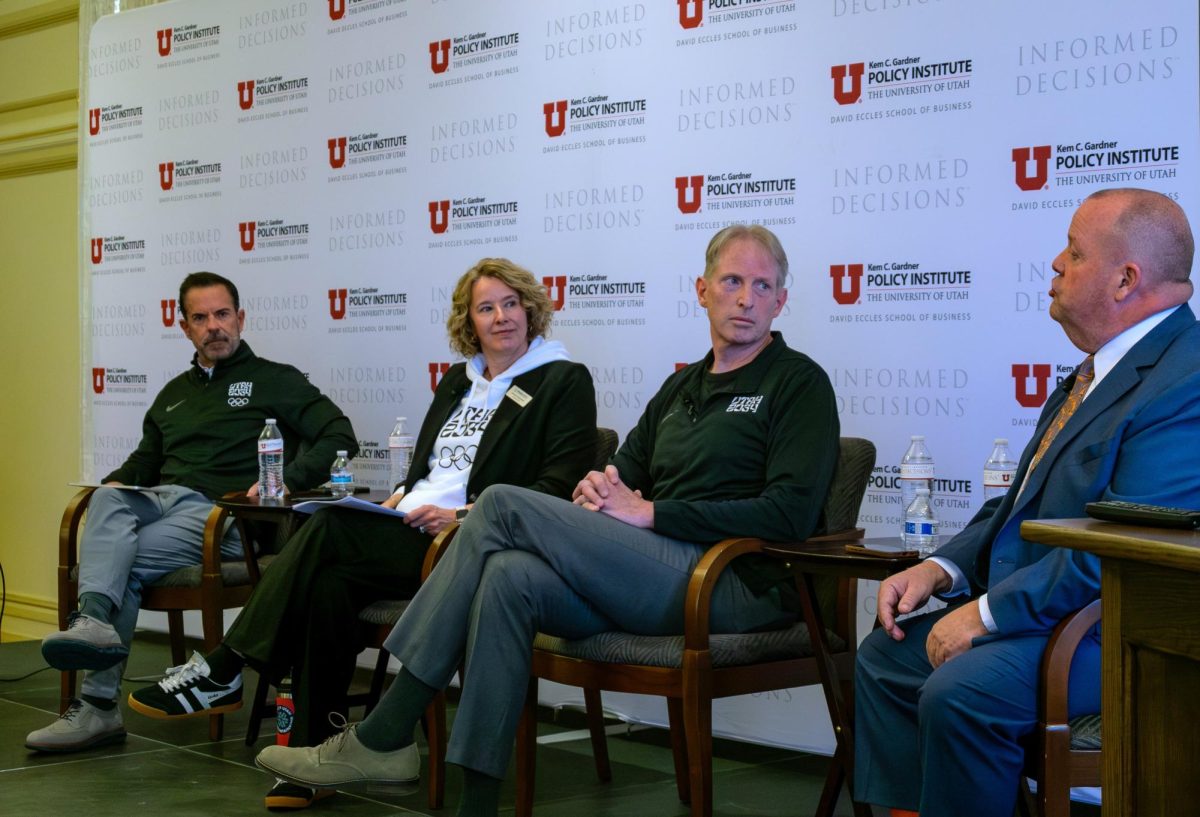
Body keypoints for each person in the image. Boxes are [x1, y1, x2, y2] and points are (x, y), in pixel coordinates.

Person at [251, 223, 841, 817]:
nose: (746, 298)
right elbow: (624, 469)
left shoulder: (798, 383)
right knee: (508, 576)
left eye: (762, 286)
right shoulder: (681, 385)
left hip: (733, 584)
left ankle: (386, 732)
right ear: (702, 290)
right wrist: (598, 489)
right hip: (651, 573)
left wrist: (653, 511)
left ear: (781, 301)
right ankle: (476, 805)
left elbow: (789, 513)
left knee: (502, 503)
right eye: (732, 281)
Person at [126, 258, 597, 810]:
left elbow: (555, 486)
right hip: (410, 526)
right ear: (469, 321)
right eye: (486, 307)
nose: (501, 318)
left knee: (326, 530)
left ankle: (227, 666)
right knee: (327, 585)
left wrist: (463, 516)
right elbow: (429, 469)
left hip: (468, 540)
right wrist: (400, 497)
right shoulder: (456, 382)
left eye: (510, 304)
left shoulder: (561, 379)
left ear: (530, 309)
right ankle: (314, 756)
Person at [854, 188, 1200, 817]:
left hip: (1119, 636)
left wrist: (984, 615)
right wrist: (943, 569)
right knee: (886, 656)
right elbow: (1020, 502)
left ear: (1126, 278)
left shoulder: (1186, 380)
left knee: (960, 690)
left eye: (1074, 251)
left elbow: (1121, 552)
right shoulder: (1096, 371)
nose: (1056, 265)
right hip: (1050, 617)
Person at [29, 271, 358, 754]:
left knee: (119, 565)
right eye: (200, 318)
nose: (214, 327)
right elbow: (144, 464)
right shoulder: (173, 395)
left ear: (240, 319)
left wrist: (284, 480)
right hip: (166, 503)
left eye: (222, 315)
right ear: (184, 327)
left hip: (221, 519)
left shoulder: (274, 380)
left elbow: (339, 436)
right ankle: (95, 626)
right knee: (104, 499)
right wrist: (112, 484)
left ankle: (97, 704)